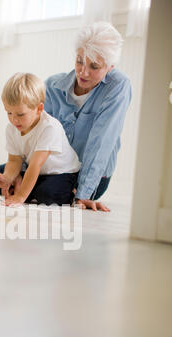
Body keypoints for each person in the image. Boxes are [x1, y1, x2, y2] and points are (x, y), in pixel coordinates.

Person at [44, 21, 132, 212]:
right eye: (80, 61)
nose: (83, 72)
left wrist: (83, 194)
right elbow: (39, 137)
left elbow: (101, 143)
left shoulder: (118, 86)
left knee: (48, 193)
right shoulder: (52, 85)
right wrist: (20, 172)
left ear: (110, 67)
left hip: (89, 176)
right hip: (53, 169)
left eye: (94, 66)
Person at [0, 73, 81, 206]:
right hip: (36, 172)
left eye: (20, 114)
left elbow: (35, 166)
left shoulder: (49, 127)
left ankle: (69, 191)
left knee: (46, 195)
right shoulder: (12, 128)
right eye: (9, 112)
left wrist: (20, 197)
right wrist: (7, 178)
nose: (14, 119)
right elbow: (14, 160)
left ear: (39, 109)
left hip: (62, 173)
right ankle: (26, 188)